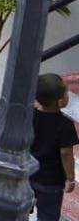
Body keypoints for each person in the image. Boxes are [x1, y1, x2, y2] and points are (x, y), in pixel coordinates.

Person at [32, 72, 78, 221]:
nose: (68, 94)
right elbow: (66, 153)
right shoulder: (65, 124)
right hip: (51, 182)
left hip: (29, 174)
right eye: (66, 92)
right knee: (48, 215)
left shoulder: (31, 115)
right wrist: (70, 178)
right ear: (60, 101)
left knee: (22, 208)